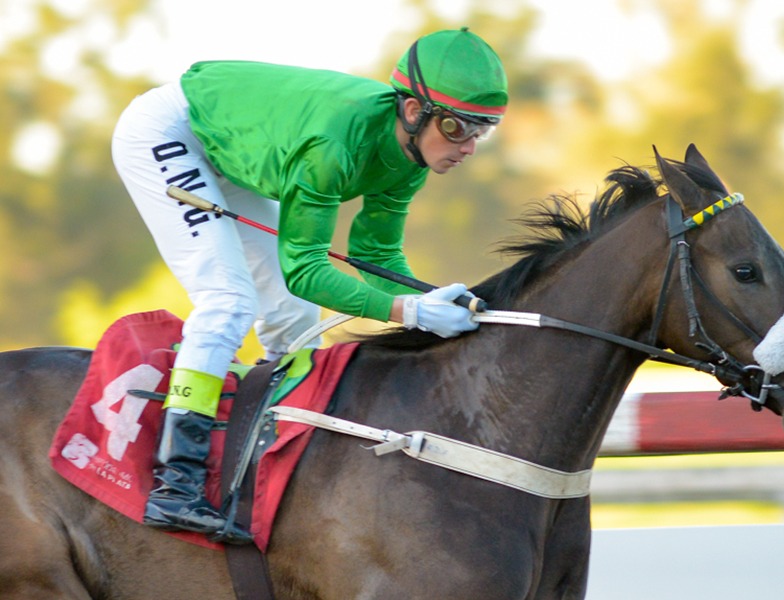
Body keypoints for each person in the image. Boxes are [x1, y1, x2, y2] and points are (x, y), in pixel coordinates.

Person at [110, 27, 508, 542]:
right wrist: (410, 312)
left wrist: (421, 297)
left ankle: (274, 445)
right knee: (229, 300)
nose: (469, 147)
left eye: (483, 131)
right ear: (413, 111)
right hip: (170, 133)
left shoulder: (412, 158)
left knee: (293, 317)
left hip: (232, 147)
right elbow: (305, 272)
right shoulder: (332, 146)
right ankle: (175, 482)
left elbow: (374, 254)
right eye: (457, 128)